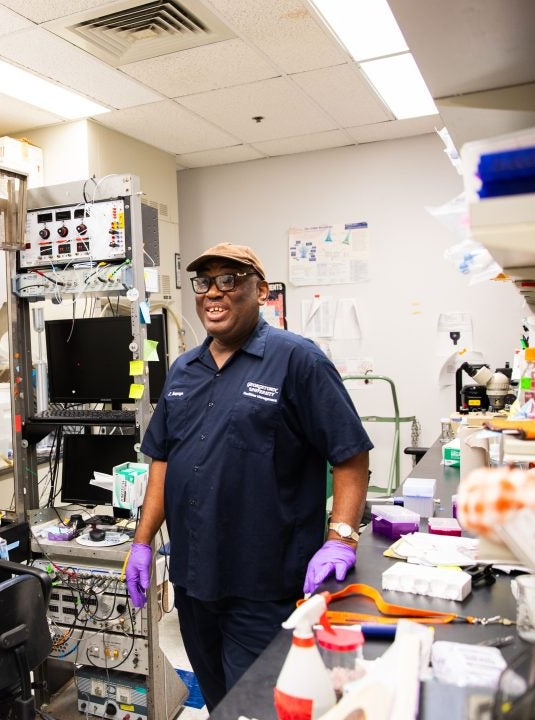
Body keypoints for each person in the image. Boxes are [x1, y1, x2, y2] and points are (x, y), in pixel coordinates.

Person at [125, 243, 372, 709]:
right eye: (204, 282)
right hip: (195, 583)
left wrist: (342, 537)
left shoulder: (298, 360)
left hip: (264, 587)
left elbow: (350, 454)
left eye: (229, 280)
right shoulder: (183, 370)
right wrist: (142, 541)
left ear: (260, 292)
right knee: (221, 703)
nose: (213, 293)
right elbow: (162, 458)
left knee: (258, 707)